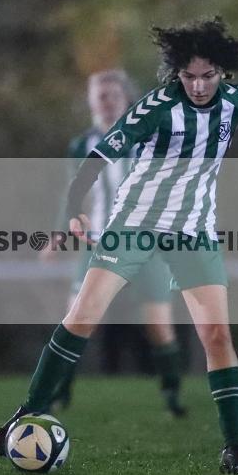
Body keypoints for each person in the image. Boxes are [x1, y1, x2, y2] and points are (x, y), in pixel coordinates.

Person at [0, 16, 238, 475]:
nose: (198, 85)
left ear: (224, 71)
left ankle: (234, 448)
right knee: (82, 316)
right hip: (134, 225)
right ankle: (24, 414)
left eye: (208, 75)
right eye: (189, 76)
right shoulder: (156, 108)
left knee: (217, 335)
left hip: (194, 230)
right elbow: (96, 158)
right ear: (176, 73)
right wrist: (77, 206)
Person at [43, 68, 187, 417]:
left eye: (112, 96)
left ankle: (171, 397)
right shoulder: (82, 146)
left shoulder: (150, 138)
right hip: (99, 244)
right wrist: (59, 233)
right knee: (75, 320)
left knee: (159, 327)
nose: (106, 103)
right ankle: (60, 394)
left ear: (126, 99)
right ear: (91, 102)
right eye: (99, 96)